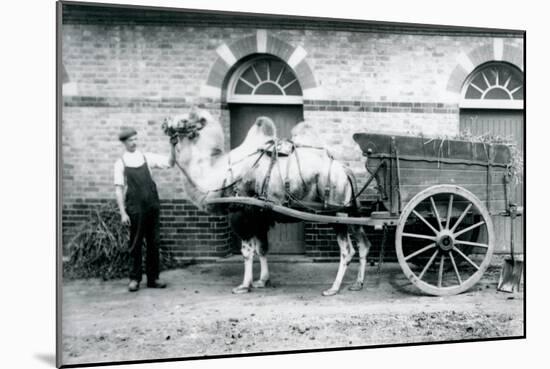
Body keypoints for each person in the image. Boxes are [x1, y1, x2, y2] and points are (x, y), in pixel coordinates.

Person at [114, 127, 176, 292]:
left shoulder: (146, 157)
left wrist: (173, 146)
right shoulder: (121, 162)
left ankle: (153, 278)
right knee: (135, 244)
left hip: (152, 206)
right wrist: (123, 212)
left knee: (153, 243)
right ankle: (134, 279)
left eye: (135, 139)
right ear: (124, 143)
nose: (133, 142)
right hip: (135, 208)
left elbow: (170, 163)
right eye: (130, 140)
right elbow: (119, 189)